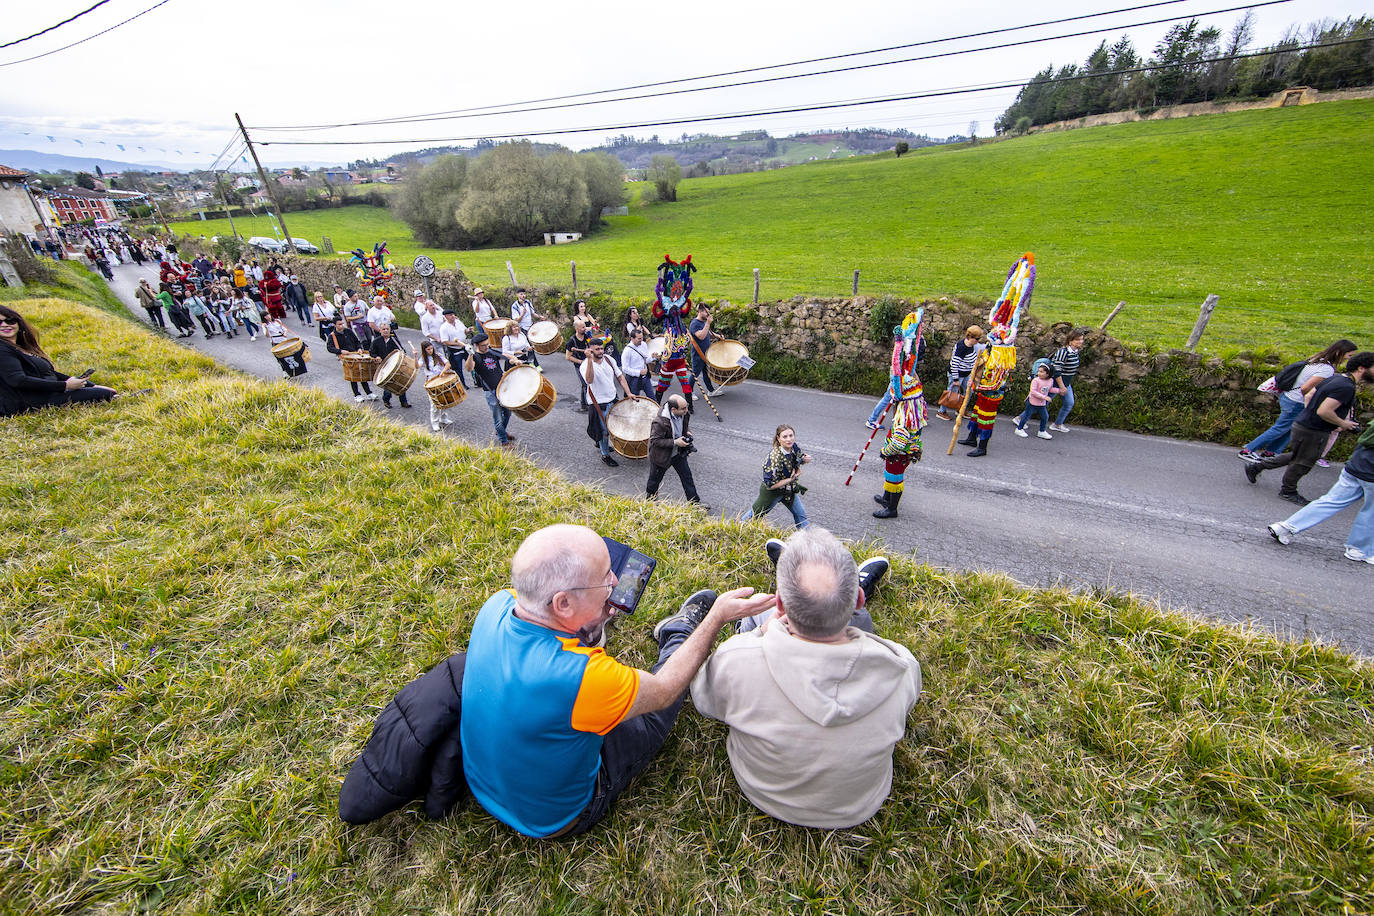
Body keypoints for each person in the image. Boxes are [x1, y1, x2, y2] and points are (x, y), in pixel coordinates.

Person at [450, 524, 776, 837]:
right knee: (652, 716)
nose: (616, 580)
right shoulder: (584, 679)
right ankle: (679, 631)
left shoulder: (498, 604)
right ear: (563, 603)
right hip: (557, 818)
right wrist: (716, 617)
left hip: (485, 786)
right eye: (605, 578)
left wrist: (591, 611)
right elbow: (663, 692)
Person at [690, 527, 918, 828]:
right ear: (861, 598)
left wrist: (761, 632)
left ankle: (800, 586)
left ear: (780, 605)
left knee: (757, 605)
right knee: (859, 623)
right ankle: (837, 591)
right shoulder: (899, 666)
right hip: (858, 806)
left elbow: (704, 700)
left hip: (763, 792)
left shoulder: (736, 660)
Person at [1246, 352, 1372, 504]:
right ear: (1361, 368)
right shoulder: (1346, 387)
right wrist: (1343, 423)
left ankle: (1256, 467)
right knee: (1304, 462)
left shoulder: (1337, 378)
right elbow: (1324, 411)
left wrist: (1309, 411)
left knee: (1298, 455)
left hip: (1304, 424)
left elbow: (1310, 393)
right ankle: (1288, 491)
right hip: (1315, 429)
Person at [1268, 420, 1374, 564]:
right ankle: (1360, 550)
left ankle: (1285, 527)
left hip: (1356, 465)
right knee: (1370, 512)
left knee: (1330, 501)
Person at [1240, 340, 1357, 461]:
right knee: (1280, 428)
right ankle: (1248, 450)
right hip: (1296, 402)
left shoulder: (1317, 360)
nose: (1349, 359)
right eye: (1349, 355)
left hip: (1290, 397)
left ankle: (1271, 452)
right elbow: (1305, 388)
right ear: (1339, 353)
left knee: (1289, 429)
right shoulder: (1327, 369)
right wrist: (1311, 402)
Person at [0, 305, 118, 417]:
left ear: (19, 323)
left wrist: (92, 385)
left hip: (46, 395)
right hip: (31, 403)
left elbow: (50, 373)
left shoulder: (20, 347)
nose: (5, 325)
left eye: (10, 320)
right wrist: (65, 386)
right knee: (105, 394)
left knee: (103, 392)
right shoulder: (2, 349)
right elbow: (17, 380)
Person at [873, 313, 929, 517]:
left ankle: (892, 508)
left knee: (894, 478)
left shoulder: (905, 417)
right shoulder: (913, 399)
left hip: (900, 452)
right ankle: (886, 498)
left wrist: (885, 450)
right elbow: (905, 366)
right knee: (890, 475)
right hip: (902, 450)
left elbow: (898, 442)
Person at [741, 424, 812, 529]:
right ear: (778, 439)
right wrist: (791, 479)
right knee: (754, 515)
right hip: (772, 493)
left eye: (791, 435)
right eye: (785, 437)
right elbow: (770, 485)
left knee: (801, 516)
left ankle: (806, 542)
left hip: (788, 490)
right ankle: (737, 528)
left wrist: (805, 460)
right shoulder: (774, 458)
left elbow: (799, 458)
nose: (789, 439)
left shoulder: (794, 447)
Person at [583, 334, 631, 467]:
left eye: (601, 348)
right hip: (598, 404)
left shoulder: (609, 359)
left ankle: (601, 443)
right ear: (590, 350)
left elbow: (620, 376)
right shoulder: (585, 365)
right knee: (604, 431)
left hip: (612, 399)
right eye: (597, 349)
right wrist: (588, 360)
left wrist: (628, 393)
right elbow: (589, 380)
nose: (600, 351)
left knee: (613, 428)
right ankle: (605, 455)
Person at [866, 327, 926, 429]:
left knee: (895, 398)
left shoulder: (910, 340)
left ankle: (898, 421)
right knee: (889, 397)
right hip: (899, 374)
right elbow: (902, 362)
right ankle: (872, 419)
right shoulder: (908, 342)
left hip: (900, 373)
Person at [646, 395, 700, 504]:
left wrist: (687, 432)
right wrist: (675, 442)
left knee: (687, 478)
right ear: (673, 410)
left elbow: (684, 424)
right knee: (654, 481)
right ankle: (650, 503)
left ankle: (695, 504)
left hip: (678, 454)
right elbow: (655, 441)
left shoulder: (684, 414)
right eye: (683, 408)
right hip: (662, 456)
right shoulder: (659, 422)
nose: (686, 410)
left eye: (686, 407)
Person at [466, 332, 514, 447]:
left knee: (507, 413)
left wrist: (513, 359)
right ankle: (503, 441)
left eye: (488, 344)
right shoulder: (476, 357)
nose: (487, 346)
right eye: (484, 345)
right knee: (497, 416)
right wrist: (470, 355)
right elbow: (469, 368)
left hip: (501, 389)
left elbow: (504, 355)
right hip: (490, 391)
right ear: (477, 346)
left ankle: (501, 431)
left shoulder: (490, 351)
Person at [934, 325, 984, 421]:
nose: (978, 341)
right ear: (970, 337)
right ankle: (941, 411)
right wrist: (956, 380)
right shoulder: (962, 348)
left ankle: (961, 409)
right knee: (952, 392)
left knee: (969, 391)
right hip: (957, 374)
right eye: (977, 339)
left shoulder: (971, 346)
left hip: (966, 373)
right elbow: (954, 364)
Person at [326, 316, 377, 402]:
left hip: (355, 355)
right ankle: (357, 394)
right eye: (339, 324)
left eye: (342, 324)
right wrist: (341, 351)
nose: (342, 326)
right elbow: (329, 348)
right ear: (335, 325)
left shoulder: (348, 331)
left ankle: (369, 393)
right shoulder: (332, 336)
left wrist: (359, 348)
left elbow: (357, 341)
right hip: (346, 358)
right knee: (353, 376)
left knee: (362, 373)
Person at [1047, 329, 1086, 433]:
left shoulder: (1075, 352)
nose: (1080, 342)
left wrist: (1065, 385)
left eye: (1081, 339)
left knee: (1069, 403)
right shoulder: (1063, 352)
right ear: (1070, 341)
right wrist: (1062, 386)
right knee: (1042, 403)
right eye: (1077, 340)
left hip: (1065, 383)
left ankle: (1057, 424)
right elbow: (1057, 370)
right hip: (1056, 383)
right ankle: (1020, 419)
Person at [412, 339, 455, 432]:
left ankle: (443, 418)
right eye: (428, 349)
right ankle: (434, 423)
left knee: (445, 400)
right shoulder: (423, 358)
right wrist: (415, 356)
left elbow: (448, 364)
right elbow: (416, 367)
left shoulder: (438, 355)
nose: (430, 351)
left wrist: (443, 371)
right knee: (434, 403)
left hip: (441, 380)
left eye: (431, 348)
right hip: (431, 382)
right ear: (424, 350)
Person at [1014, 363, 1066, 439]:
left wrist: (1059, 390)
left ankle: (1042, 431)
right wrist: (1045, 397)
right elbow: (1033, 392)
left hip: (1041, 403)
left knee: (1045, 416)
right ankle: (1019, 429)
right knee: (1026, 416)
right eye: (1038, 371)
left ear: (1048, 373)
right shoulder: (1035, 380)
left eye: (1042, 372)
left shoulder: (1050, 380)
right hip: (1032, 402)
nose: (1039, 373)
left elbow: (1049, 389)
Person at [369, 324, 411, 409]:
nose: (385, 331)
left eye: (387, 329)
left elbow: (402, 350)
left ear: (390, 330)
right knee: (388, 384)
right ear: (380, 331)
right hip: (384, 365)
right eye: (383, 329)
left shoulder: (394, 340)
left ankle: (404, 402)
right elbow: (371, 352)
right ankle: (386, 400)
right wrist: (376, 357)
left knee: (401, 382)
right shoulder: (376, 341)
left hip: (395, 365)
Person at [688, 303, 724, 395]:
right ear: (700, 311)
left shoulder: (703, 322)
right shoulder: (694, 324)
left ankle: (711, 391)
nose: (708, 314)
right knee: (694, 374)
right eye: (706, 312)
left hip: (706, 353)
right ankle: (688, 392)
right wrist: (708, 323)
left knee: (707, 373)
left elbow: (708, 333)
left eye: (709, 312)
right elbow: (701, 336)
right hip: (698, 354)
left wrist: (718, 336)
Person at [620, 326, 656, 399]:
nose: (641, 340)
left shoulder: (643, 344)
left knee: (652, 399)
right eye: (639, 338)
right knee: (634, 401)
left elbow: (645, 360)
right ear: (632, 338)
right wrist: (638, 372)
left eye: (642, 338)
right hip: (633, 380)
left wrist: (652, 357)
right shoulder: (627, 351)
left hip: (645, 378)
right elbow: (624, 368)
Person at [438, 309, 471, 389]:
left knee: (472, 363)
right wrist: (458, 344)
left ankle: (478, 382)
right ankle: (462, 384)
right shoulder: (444, 328)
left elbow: (464, 331)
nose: (452, 316)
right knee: (458, 369)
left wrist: (468, 330)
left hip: (465, 347)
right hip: (455, 350)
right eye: (450, 315)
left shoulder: (458, 322)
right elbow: (445, 342)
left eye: (453, 314)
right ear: (445, 317)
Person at [566, 319, 591, 411]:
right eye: (583, 327)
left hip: (588, 363)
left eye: (585, 326)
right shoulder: (571, 341)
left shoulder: (587, 337)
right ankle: (587, 404)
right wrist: (580, 362)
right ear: (576, 328)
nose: (585, 329)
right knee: (585, 383)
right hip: (579, 365)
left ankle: (584, 403)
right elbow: (568, 357)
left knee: (587, 383)